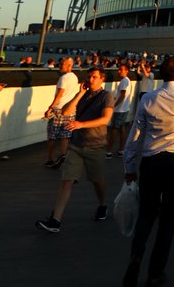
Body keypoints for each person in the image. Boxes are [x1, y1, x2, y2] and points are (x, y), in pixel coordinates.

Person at [123, 56, 174, 287]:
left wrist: (129, 166)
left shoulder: (148, 99)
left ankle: (135, 256)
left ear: (160, 74)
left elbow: (135, 136)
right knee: (168, 219)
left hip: (150, 161)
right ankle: (155, 272)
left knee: (147, 213)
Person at [36, 67, 117, 233]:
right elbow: (66, 111)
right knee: (67, 180)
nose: (90, 79)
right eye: (89, 77)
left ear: (102, 79)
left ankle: (102, 204)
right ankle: (55, 220)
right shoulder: (83, 95)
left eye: (94, 77)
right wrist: (80, 93)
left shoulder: (106, 96)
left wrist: (81, 124)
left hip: (95, 144)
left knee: (97, 179)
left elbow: (105, 119)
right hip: (76, 145)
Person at [43, 56, 78, 168]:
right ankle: (63, 156)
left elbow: (60, 94)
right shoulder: (74, 77)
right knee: (65, 135)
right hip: (70, 110)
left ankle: (50, 159)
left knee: (52, 135)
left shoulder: (63, 78)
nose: (60, 65)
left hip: (58, 110)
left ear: (68, 65)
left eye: (62, 64)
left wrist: (50, 107)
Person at [107, 62, 133, 158]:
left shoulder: (123, 81)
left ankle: (109, 151)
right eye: (119, 69)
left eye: (121, 69)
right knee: (122, 129)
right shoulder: (127, 80)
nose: (119, 71)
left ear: (127, 71)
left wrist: (113, 105)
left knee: (114, 130)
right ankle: (121, 150)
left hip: (120, 110)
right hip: (125, 108)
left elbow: (122, 95)